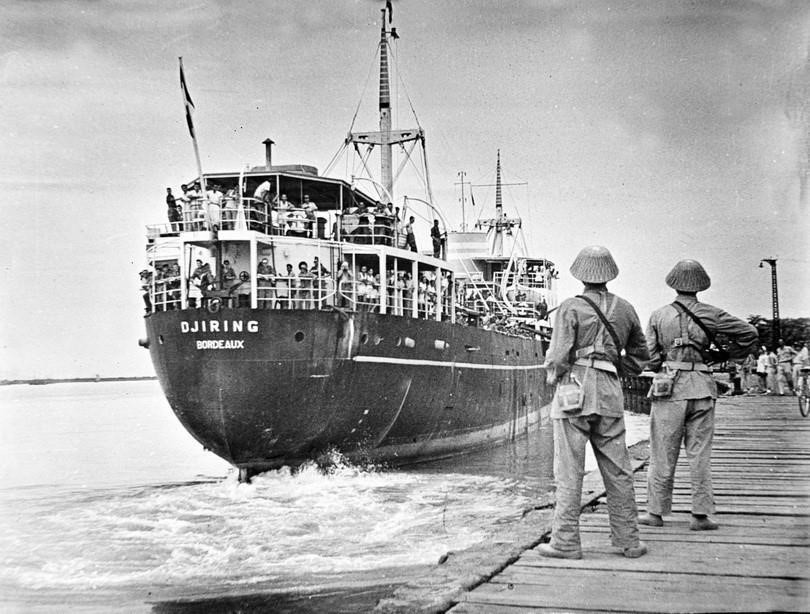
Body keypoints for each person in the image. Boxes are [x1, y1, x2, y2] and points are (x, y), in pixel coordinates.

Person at [539, 245, 649, 560]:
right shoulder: (626, 309)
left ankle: (566, 543)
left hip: (573, 391)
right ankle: (628, 542)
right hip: (611, 393)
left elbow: (559, 356)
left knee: (569, 471)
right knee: (618, 470)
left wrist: (554, 377)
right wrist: (614, 369)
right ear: (609, 274)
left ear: (579, 274)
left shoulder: (570, 307)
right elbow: (642, 355)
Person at [639, 259, 758, 531]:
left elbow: (651, 358)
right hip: (703, 386)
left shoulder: (659, 315)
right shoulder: (712, 313)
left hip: (669, 388)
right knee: (700, 453)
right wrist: (730, 355)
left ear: (673, 283)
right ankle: (700, 515)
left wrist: (662, 363)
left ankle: (655, 513)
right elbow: (749, 332)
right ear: (700, 286)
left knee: (662, 452)